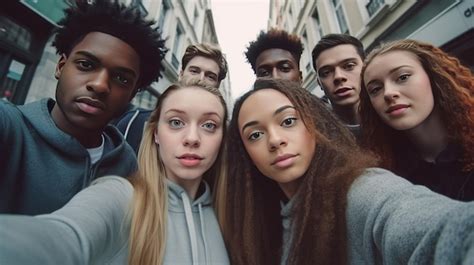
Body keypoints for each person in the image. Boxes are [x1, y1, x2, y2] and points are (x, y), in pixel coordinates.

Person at [218, 78, 474, 265]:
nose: (274, 140)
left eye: (288, 121)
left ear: (316, 125)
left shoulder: (362, 191)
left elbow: (434, 227)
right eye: (255, 135)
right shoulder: (259, 221)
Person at [0, 79, 230, 265]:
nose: (192, 138)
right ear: (156, 133)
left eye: (209, 125)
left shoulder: (228, 214)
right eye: (176, 122)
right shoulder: (121, 198)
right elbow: (63, 237)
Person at [0, 0, 167, 214]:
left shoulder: (127, 164)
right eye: (86, 65)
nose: (99, 85)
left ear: (133, 94)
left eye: (121, 79)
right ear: (61, 66)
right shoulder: (10, 129)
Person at [359, 39, 474, 201]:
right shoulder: (385, 176)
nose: (388, 93)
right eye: (375, 89)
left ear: (434, 77)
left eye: (403, 77)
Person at [115, 42, 228, 154]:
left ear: (217, 85)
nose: (200, 79)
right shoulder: (134, 121)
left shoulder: (225, 138)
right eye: (194, 71)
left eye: (210, 76)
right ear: (181, 75)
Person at [312, 34, 365, 138]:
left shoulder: (395, 121)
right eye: (326, 72)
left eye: (349, 66)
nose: (338, 77)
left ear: (366, 68)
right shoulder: (317, 139)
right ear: (319, 83)